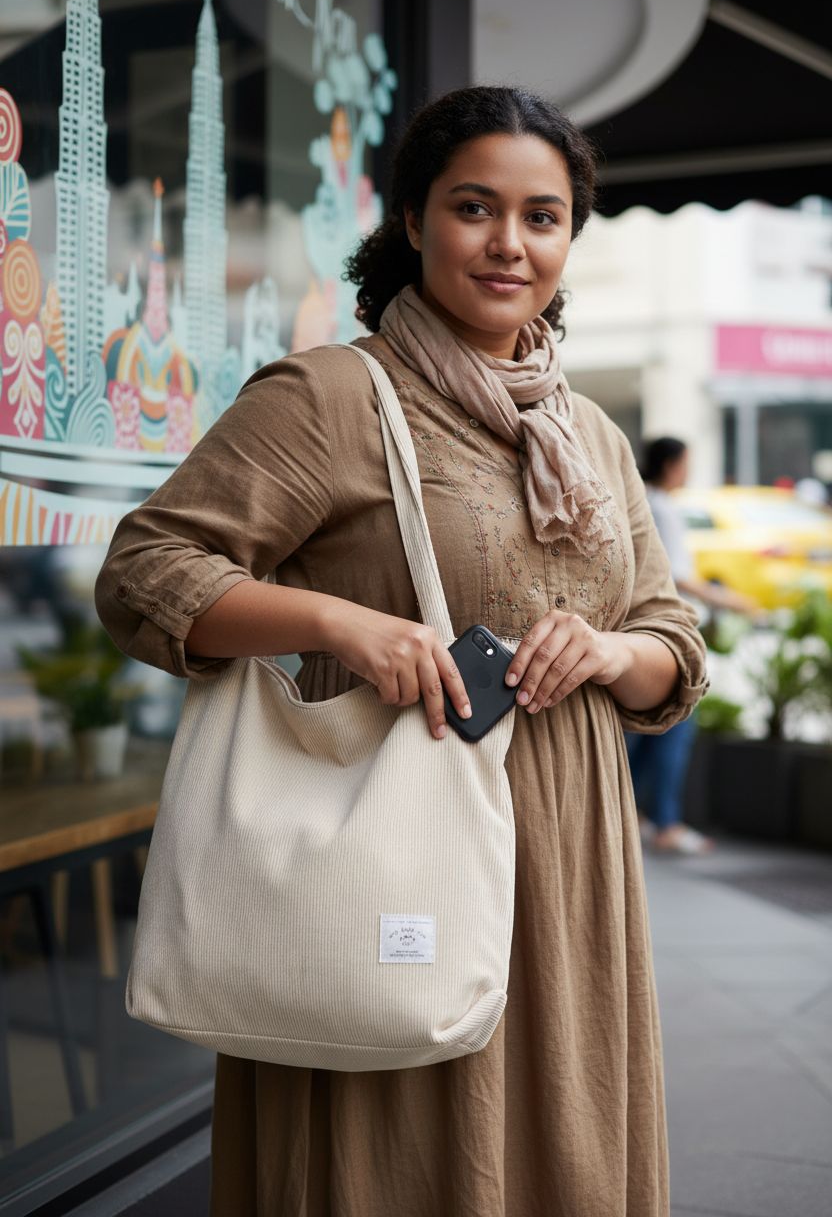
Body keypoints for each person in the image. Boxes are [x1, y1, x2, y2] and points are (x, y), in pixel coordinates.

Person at [95, 87, 708, 1217]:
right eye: (475, 208)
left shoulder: (592, 436)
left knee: (559, 1146)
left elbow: (673, 640)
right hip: (387, 851)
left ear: (570, 236)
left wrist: (612, 656)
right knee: (399, 1158)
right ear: (414, 220)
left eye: (542, 217)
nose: (508, 244)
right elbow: (147, 570)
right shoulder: (333, 395)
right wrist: (338, 625)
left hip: (567, 866)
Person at [627, 437, 755, 854]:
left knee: (646, 732)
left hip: (635, 633)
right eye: (686, 463)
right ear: (671, 465)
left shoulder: (641, 496)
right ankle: (666, 822)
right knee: (678, 719)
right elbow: (677, 576)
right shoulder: (661, 507)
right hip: (667, 634)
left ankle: (636, 815)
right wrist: (733, 601)